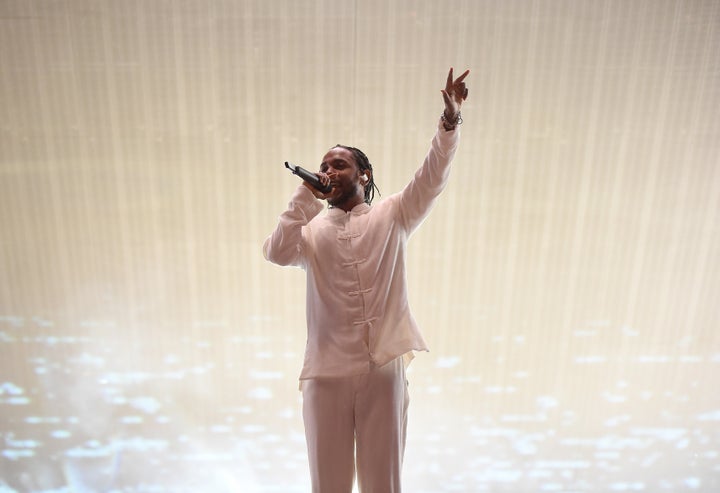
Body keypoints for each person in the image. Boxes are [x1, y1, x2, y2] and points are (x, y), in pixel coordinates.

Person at [263, 67, 469, 493]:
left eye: (338, 164)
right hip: (325, 373)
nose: (328, 171)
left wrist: (449, 123)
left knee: (383, 485)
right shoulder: (311, 231)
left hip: (382, 370)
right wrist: (306, 195)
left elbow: (432, 177)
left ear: (364, 175)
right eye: (323, 166)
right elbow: (276, 251)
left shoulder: (393, 213)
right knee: (328, 486)